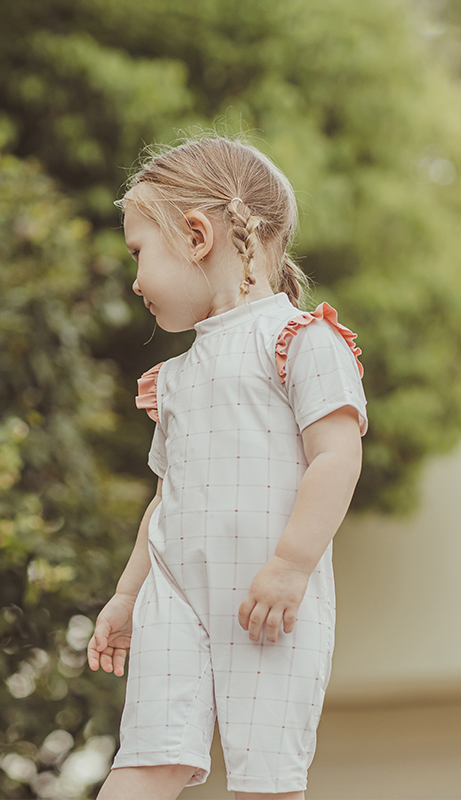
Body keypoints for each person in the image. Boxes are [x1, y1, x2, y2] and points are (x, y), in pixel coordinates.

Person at [87, 135, 368, 800]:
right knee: (147, 756)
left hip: (266, 598)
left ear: (194, 235)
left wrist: (292, 563)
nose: (133, 279)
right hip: (175, 599)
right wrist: (128, 596)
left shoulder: (300, 340)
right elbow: (167, 498)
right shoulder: (177, 379)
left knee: (264, 778)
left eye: (138, 252)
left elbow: (336, 455)